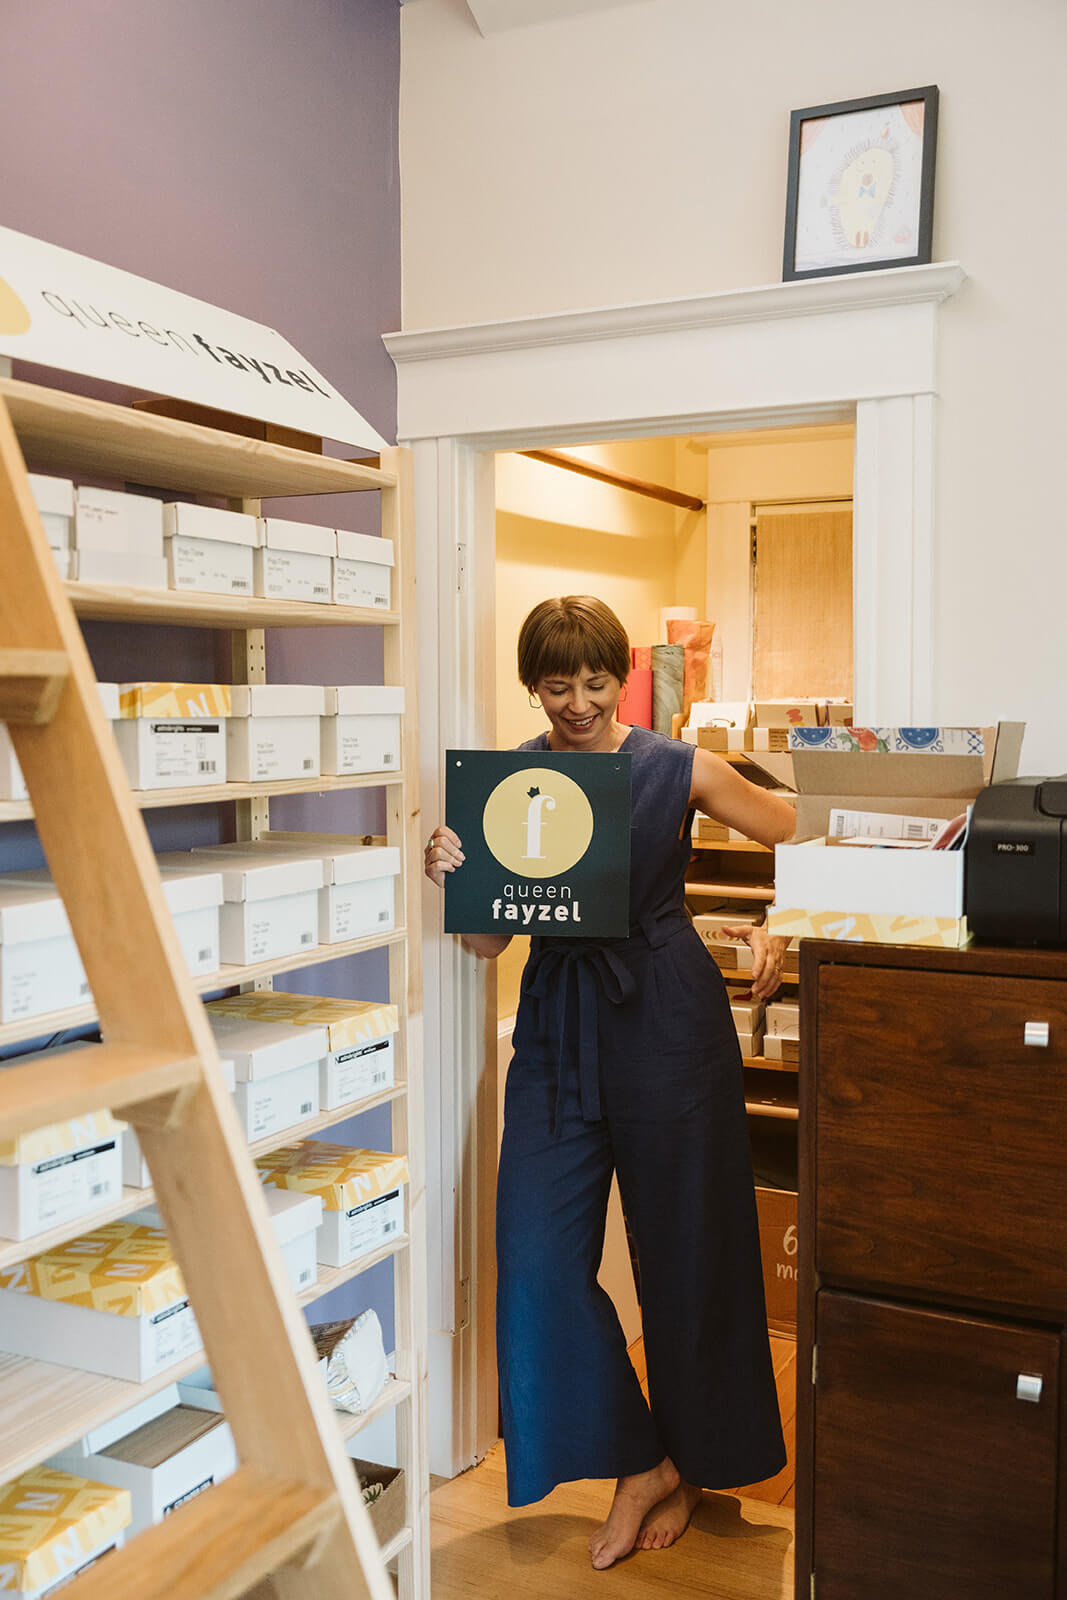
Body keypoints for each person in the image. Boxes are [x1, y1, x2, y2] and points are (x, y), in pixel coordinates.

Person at [425, 595, 795, 1570]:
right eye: (558, 684)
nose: (579, 701)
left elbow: (797, 829)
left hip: (669, 1017)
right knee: (537, 1256)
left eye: (596, 681)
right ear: (532, 685)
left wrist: (785, 922)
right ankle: (638, 1453)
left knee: (689, 1251)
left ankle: (682, 1458)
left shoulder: (677, 767)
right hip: (555, 1024)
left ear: (618, 679)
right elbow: (484, 940)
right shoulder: (508, 783)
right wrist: (453, 872)